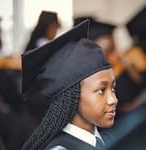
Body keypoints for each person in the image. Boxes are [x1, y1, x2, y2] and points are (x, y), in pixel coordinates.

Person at [21, 19, 118, 150]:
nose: (113, 100)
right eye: (101, 90)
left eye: (113, 89)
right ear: (72, 96)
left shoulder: (107, 140)